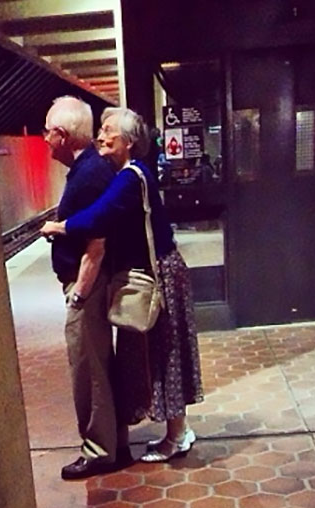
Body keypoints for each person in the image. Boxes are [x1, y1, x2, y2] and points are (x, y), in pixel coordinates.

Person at [41, 107, 204, 462]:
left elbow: (98, 216)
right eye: (101, 129)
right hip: (162, 270)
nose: (100, 135)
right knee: (161, 353)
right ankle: (177, 430)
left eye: (108, 130)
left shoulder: (131, 177)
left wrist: (60, 227)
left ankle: (177, 436)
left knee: (166, 354)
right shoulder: (126, 173)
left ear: (128, 141)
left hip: (161, 274)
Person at [43, 96, 130, 480]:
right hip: (93, 284)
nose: (45, 139)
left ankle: (99, 452)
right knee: (99, 366)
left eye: (47, 132)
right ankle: (114, 442)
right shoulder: (89, 169)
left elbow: (97, 244)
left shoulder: (90, 174)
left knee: (88, 370)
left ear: (62, 135)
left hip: (88, 287)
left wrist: (78, 294)